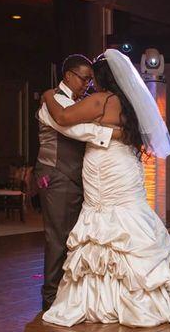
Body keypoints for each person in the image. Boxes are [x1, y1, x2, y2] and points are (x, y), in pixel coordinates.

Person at [41, 49, 170, 327]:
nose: (90, 84)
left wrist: (47, 96)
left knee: (106, 221)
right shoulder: (128, 102)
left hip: (105, 166)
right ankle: (139, 292)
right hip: (125, 166)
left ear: (102, 78)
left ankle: (104, 298)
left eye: (92, 78)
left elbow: (62, 117)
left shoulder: (101, 100)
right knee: (128, 218)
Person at [35, 54, 122, 311]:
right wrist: (117, 133)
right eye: (84, 79)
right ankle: (50, 299)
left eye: (90, 81)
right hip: (56, 175)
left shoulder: (74, 103)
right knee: (57, 238)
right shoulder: (54, 103)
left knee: (74, 238)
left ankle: (68, 294)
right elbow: (74, 130)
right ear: (68, 75)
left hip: (75, 177)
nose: (87, 85)